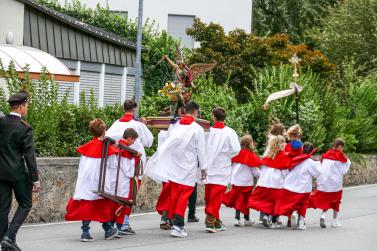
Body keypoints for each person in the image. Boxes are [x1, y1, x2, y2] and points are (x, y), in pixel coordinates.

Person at [152, 101, 207, 238]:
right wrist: (204, 168)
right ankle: (178, 225)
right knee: (183, 196)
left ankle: (172, 221)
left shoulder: (175, 125)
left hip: (174, 165)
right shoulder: (197, 129)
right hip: (188, 167)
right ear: (195, 112)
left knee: (175, 195)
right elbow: (201, 150)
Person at [65, 119, 119, 241]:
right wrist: (114, 149)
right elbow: (112, 165)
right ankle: (108, 230)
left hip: (87, 180)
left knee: (87, 205)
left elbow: (82, 165)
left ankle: (85, 232)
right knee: (104, 205)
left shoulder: (87, 147)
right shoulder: (107, 148)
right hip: (101, 180)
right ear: (104, 131)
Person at [106, 99, 154, 234]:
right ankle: (124, 223)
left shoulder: (115, 124)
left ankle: (114, 222)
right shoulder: (137, 125)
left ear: (123, 109)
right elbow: (149, 142)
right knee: (129, 194)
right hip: (133, 166)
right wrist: (143, 125)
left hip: (116, 165)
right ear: (134, 110)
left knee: (116, 193)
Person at [0, 91, 40, 251]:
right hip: (17, 173)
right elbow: (29, 156)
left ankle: (5, 243)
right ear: (21, 107)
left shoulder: (1, 123)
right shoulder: (25, 128)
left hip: (1, 173)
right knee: (25, 203)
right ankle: (9, 236)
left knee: (2, 208)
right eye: (27, 106)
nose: (27, 108)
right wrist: (35, 179)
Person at [203, 107, 240, 233]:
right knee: (216, 196)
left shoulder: (208, 131)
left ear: (214, 117)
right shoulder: (230, 132)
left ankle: (215, 220)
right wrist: (226, 155)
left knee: (210, 195)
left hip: (209, 166)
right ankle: (211, 220)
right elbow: (236, 149)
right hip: (222, 166)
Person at [274, 142, 322, 230]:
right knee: (303, 204)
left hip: (290, 184)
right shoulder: (310, 162)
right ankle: (300, 223)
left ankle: (277, 220)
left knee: (284, 203)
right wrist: (318, 163)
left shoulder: (297, 158)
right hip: (303, 187)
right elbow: (317, 173)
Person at [248, 135, 291, 229]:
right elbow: (285, 172)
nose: (284, 144)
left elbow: (263, 169)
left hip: (265, 182)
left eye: (284, 142)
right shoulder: (284, 156)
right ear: (278, 144)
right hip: (277, 183)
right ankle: (275, 221)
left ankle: (266, 216)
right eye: (282, 142)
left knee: (268, 201)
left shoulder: (268, 155)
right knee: (276, 202)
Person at [308, 138, 351, 228]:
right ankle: (335, 221)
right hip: (335, 183)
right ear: (339, 146)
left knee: (324, 199)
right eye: (342, 147)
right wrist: (348, 161)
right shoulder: (339, 156)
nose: (342, 149)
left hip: (323, 182)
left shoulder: (326, 154)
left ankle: (322, 215)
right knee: (336, 201)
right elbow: (343, 171)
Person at [223, 134, 261, 227]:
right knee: (246, 201)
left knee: (238, 200)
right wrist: (261, 178)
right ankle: (247, 219)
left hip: (236, 182)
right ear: (250, 143)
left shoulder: (236, 154)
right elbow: (255, 171)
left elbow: (232, 167)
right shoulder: (251, 155)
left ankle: (237, 219)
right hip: (247, 183)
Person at [109, 128, 141, 235]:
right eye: (133, 141)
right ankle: (119, 228)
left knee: (113, 202)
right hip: (123, 181)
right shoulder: (126, 150)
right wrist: (136, 159)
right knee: (122, 203)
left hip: (114, 179)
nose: (133, 143)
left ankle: (111, 227)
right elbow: (128, 170)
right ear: (130, 138)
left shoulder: (117, 146)